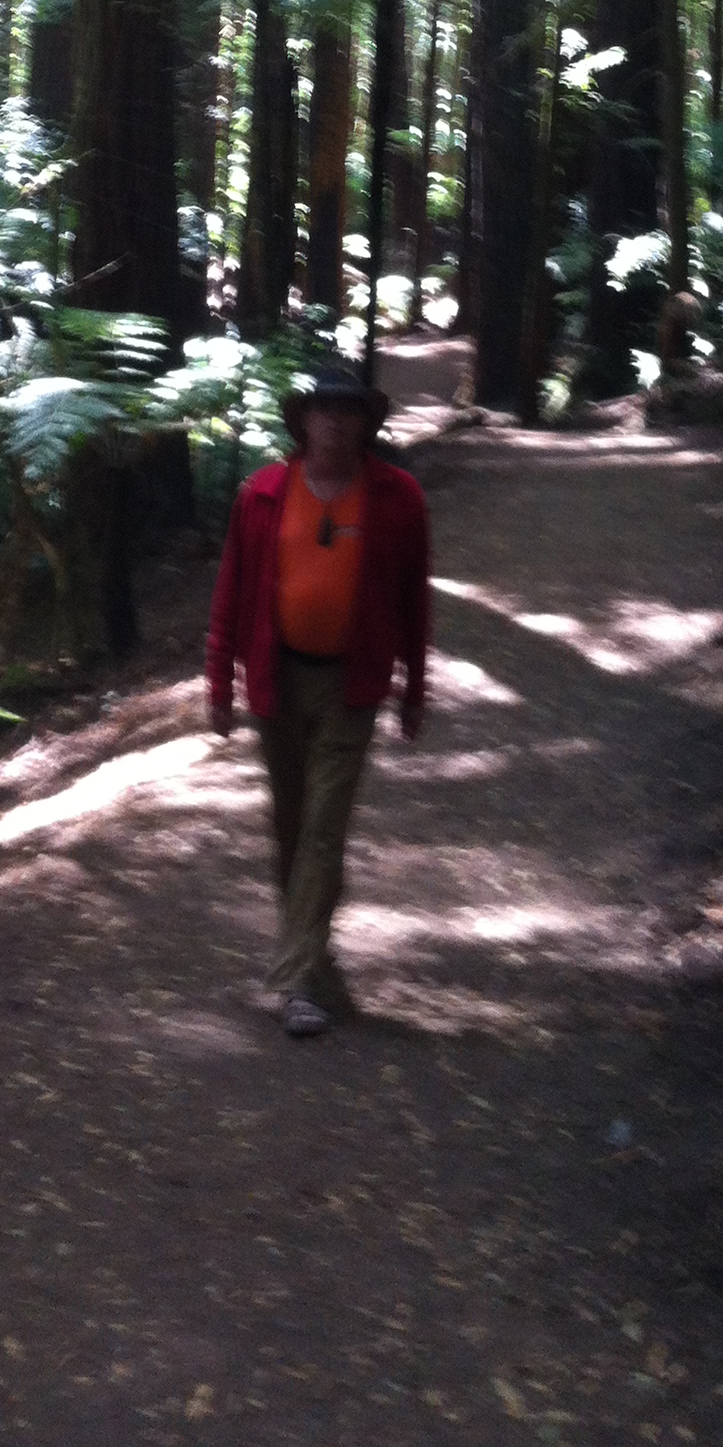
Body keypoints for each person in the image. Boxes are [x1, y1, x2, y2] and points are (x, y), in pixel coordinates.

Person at [205, 361, 431, 1038]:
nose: (334, 420)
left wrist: (415, 688)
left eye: (347, 409)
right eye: (323, 408)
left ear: (365, 423)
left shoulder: (396, 497)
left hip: (351, 684)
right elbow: (231, 592)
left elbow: (413, 599)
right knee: (291, 826)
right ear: (303, 420)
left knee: (324, 830)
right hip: (277, 678)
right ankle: (314, 953)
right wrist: (219, 684)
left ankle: (296, 982)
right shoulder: (262, 494)